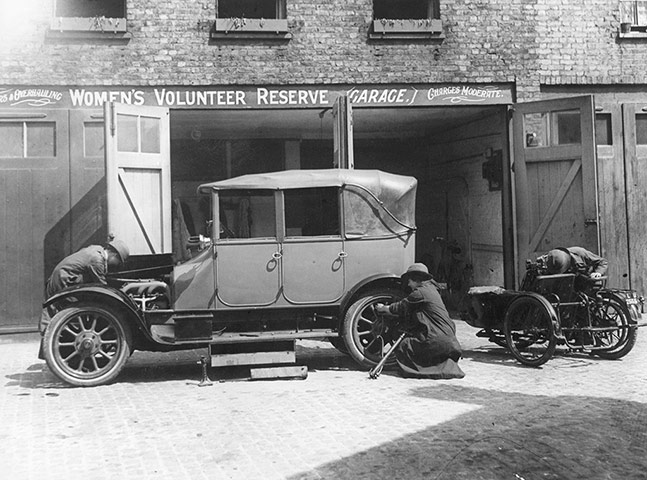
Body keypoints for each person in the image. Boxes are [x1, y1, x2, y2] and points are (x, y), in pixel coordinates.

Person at [375, 263, 465, 379]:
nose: (408, 284)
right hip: (450, 342)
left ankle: (418, 371)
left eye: (410, 281)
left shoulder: (420, 293)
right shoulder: (431, 289)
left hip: (437, 340)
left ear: (416, 280)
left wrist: (383, 308)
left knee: (404, 345)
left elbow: (401, 306)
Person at [39, 239, 130, 335]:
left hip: (59, 277)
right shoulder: (97, 260)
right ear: (114, 255)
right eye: (118, 261)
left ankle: (49, 341)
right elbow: (102, 286)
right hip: (64, 281)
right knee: (72, 313)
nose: (117, 264)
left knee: (53, 314)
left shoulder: (95, 248)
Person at [542, 246, 608, 279]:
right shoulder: (550, 260)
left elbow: (602, 262)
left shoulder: (580, 253)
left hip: (586, 281)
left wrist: (598, 272)